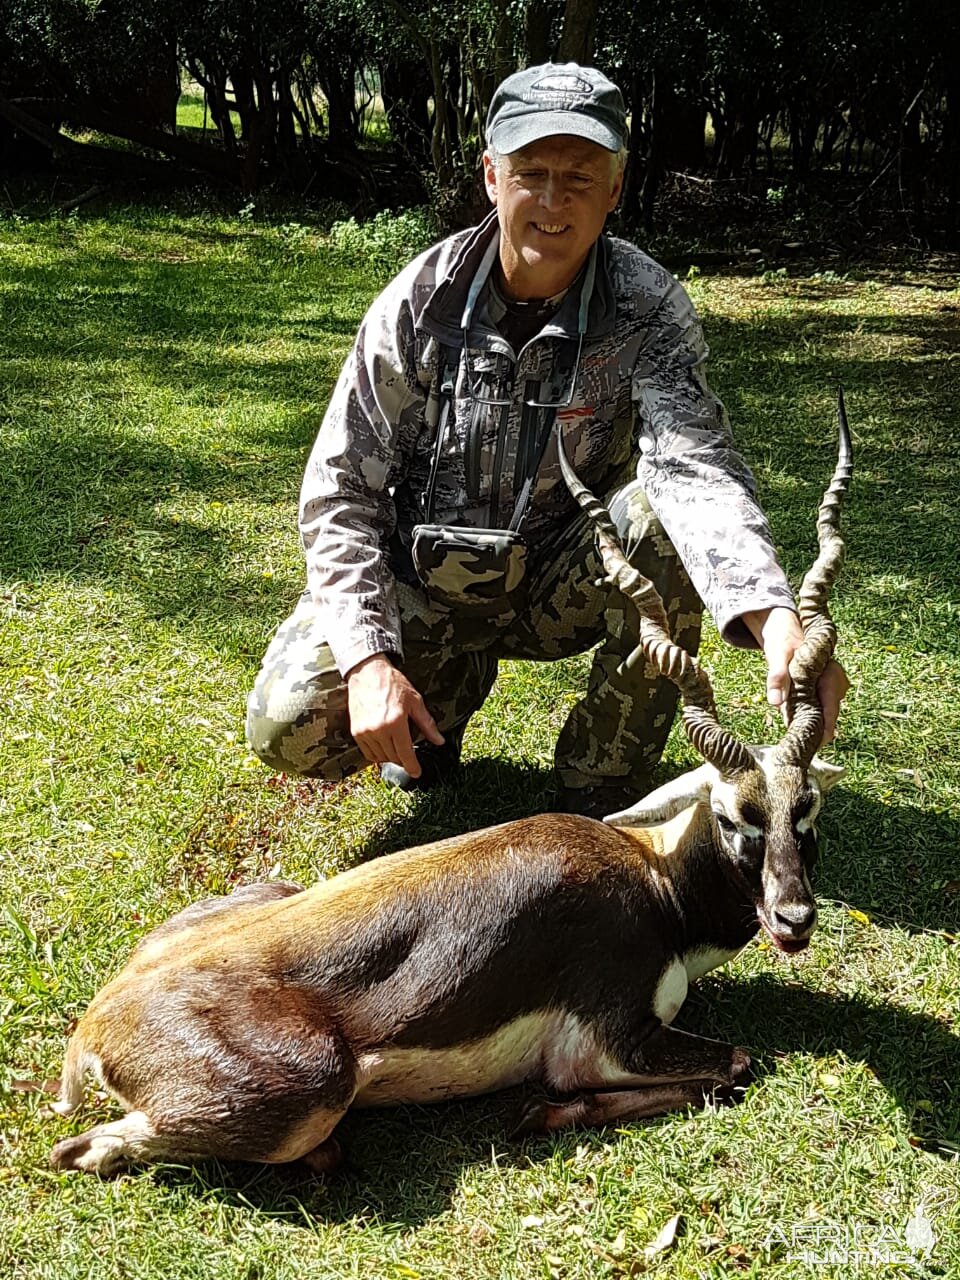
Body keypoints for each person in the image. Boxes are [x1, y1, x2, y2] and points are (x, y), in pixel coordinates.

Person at [245, 62, 848, 817]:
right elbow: (340, 495)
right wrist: (368, 659)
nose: (553, 201)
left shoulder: (647, 306)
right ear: (492, 176)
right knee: (290, 721)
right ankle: (440, 705)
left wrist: (775, 616)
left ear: (615, 189)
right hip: (425, 585)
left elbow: (695, 468)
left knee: (661, 521)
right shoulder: (417, 304)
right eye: (531, 171)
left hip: (561, 580)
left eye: (581, 175)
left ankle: (602, 777)